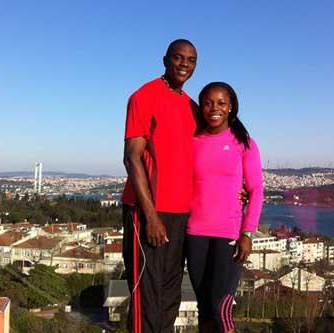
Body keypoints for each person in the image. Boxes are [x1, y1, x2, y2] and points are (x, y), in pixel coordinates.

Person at [122, 39, 198, 333]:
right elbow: (131, 158)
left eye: (191, 60)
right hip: (148, 212)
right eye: (178, 58)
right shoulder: (144, 96)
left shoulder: (192, 106)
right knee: (147, 297)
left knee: (170, 297)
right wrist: (150, 216)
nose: (184, 64)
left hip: (181, 214)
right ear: (165, 59)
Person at [186, 82, 264, 333]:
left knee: (222, 307)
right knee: (204, 306)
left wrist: (248, 233)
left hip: (228, 234)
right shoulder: (193, 140)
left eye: (221, 103)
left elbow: (256, 191)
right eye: (208, 103)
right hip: (195, 232)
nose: (214, 108)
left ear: (231, 107)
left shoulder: (245, 143)